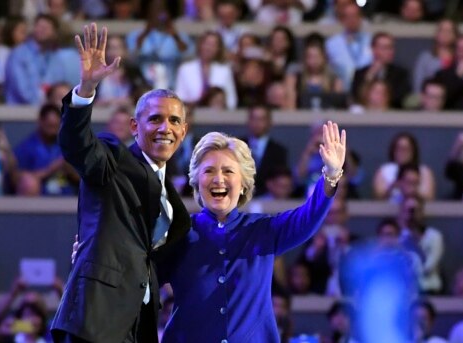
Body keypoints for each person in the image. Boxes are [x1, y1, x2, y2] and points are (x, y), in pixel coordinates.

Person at [50, 23, 191, 343]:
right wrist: (85, 90)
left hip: (138, 326)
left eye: (174, 121)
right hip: (94, 320)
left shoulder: (175, 204)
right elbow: (77, 144)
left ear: (183, 132)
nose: (164, 128)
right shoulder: (113, 159)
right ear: (134, 126)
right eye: (154, 118)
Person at [159, 122, 344, 342]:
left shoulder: (263, 230)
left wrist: (331, 175)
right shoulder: (178, 232)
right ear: (197, 182)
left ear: (244, 184)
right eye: (209, 171)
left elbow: (308, 217)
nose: (219, 179)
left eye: (228, 171)